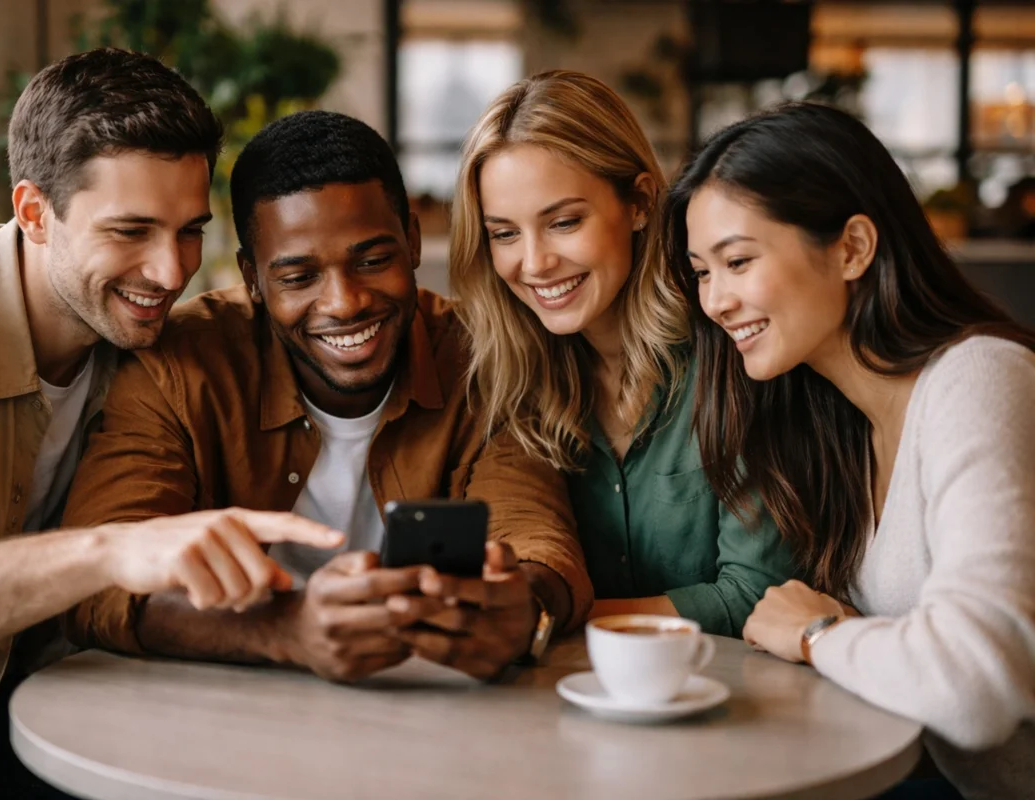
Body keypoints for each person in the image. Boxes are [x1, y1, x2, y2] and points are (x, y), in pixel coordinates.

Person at [0, 48, 339, 800]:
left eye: (189, 231)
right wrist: (108, 551)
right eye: (131, 231)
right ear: (36, 214)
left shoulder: (161, 347)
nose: (171, 273)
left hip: (11, 691)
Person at [59, 109, 593, 683]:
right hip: (225, 712)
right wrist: (285, 628)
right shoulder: (178, 367)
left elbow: (537, 539)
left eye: (373, 260)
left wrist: (524, 607)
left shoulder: (483, 360)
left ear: (412, 241)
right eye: (297, 277)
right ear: (252, 277)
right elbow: (96, 579)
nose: (344, 302)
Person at [666, 101, 1035, 799]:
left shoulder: (979, 378)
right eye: (702, 273)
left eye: (737, 261)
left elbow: (978, 686)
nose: (714, 301)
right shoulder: (840, 426)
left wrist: (818, 634)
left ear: (853, 248)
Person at [447, 70, 794, 636]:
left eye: (563, 222)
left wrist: (538, 615)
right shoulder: (516, 381)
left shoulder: (736, 352)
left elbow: (758, 595)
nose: (534, 264)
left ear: (638, 203)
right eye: (504, 234)